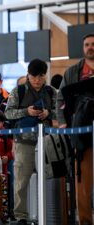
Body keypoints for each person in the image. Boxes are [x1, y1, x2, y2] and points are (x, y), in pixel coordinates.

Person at [5, 58, 57, 225]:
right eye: (34, 76)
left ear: (45, 76)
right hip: (23, 142)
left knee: (49, 179)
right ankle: (21, 216)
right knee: (21, 181)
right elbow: (7, 113)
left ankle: (48, 212)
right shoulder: (18, 91)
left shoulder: (51, 92)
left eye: (41, 76)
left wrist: (48, 114)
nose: (37, 80)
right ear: (28, 75)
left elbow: (61, 113)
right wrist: (26, 112)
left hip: (47, 142)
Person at [56, 33, 94, 225]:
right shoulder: (73, 72)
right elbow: (60, 99)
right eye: (87, 44)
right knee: (83, 180)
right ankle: (85, 221)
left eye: (93, 44)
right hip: (81, 133)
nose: (90, 47)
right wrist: (63, 122)